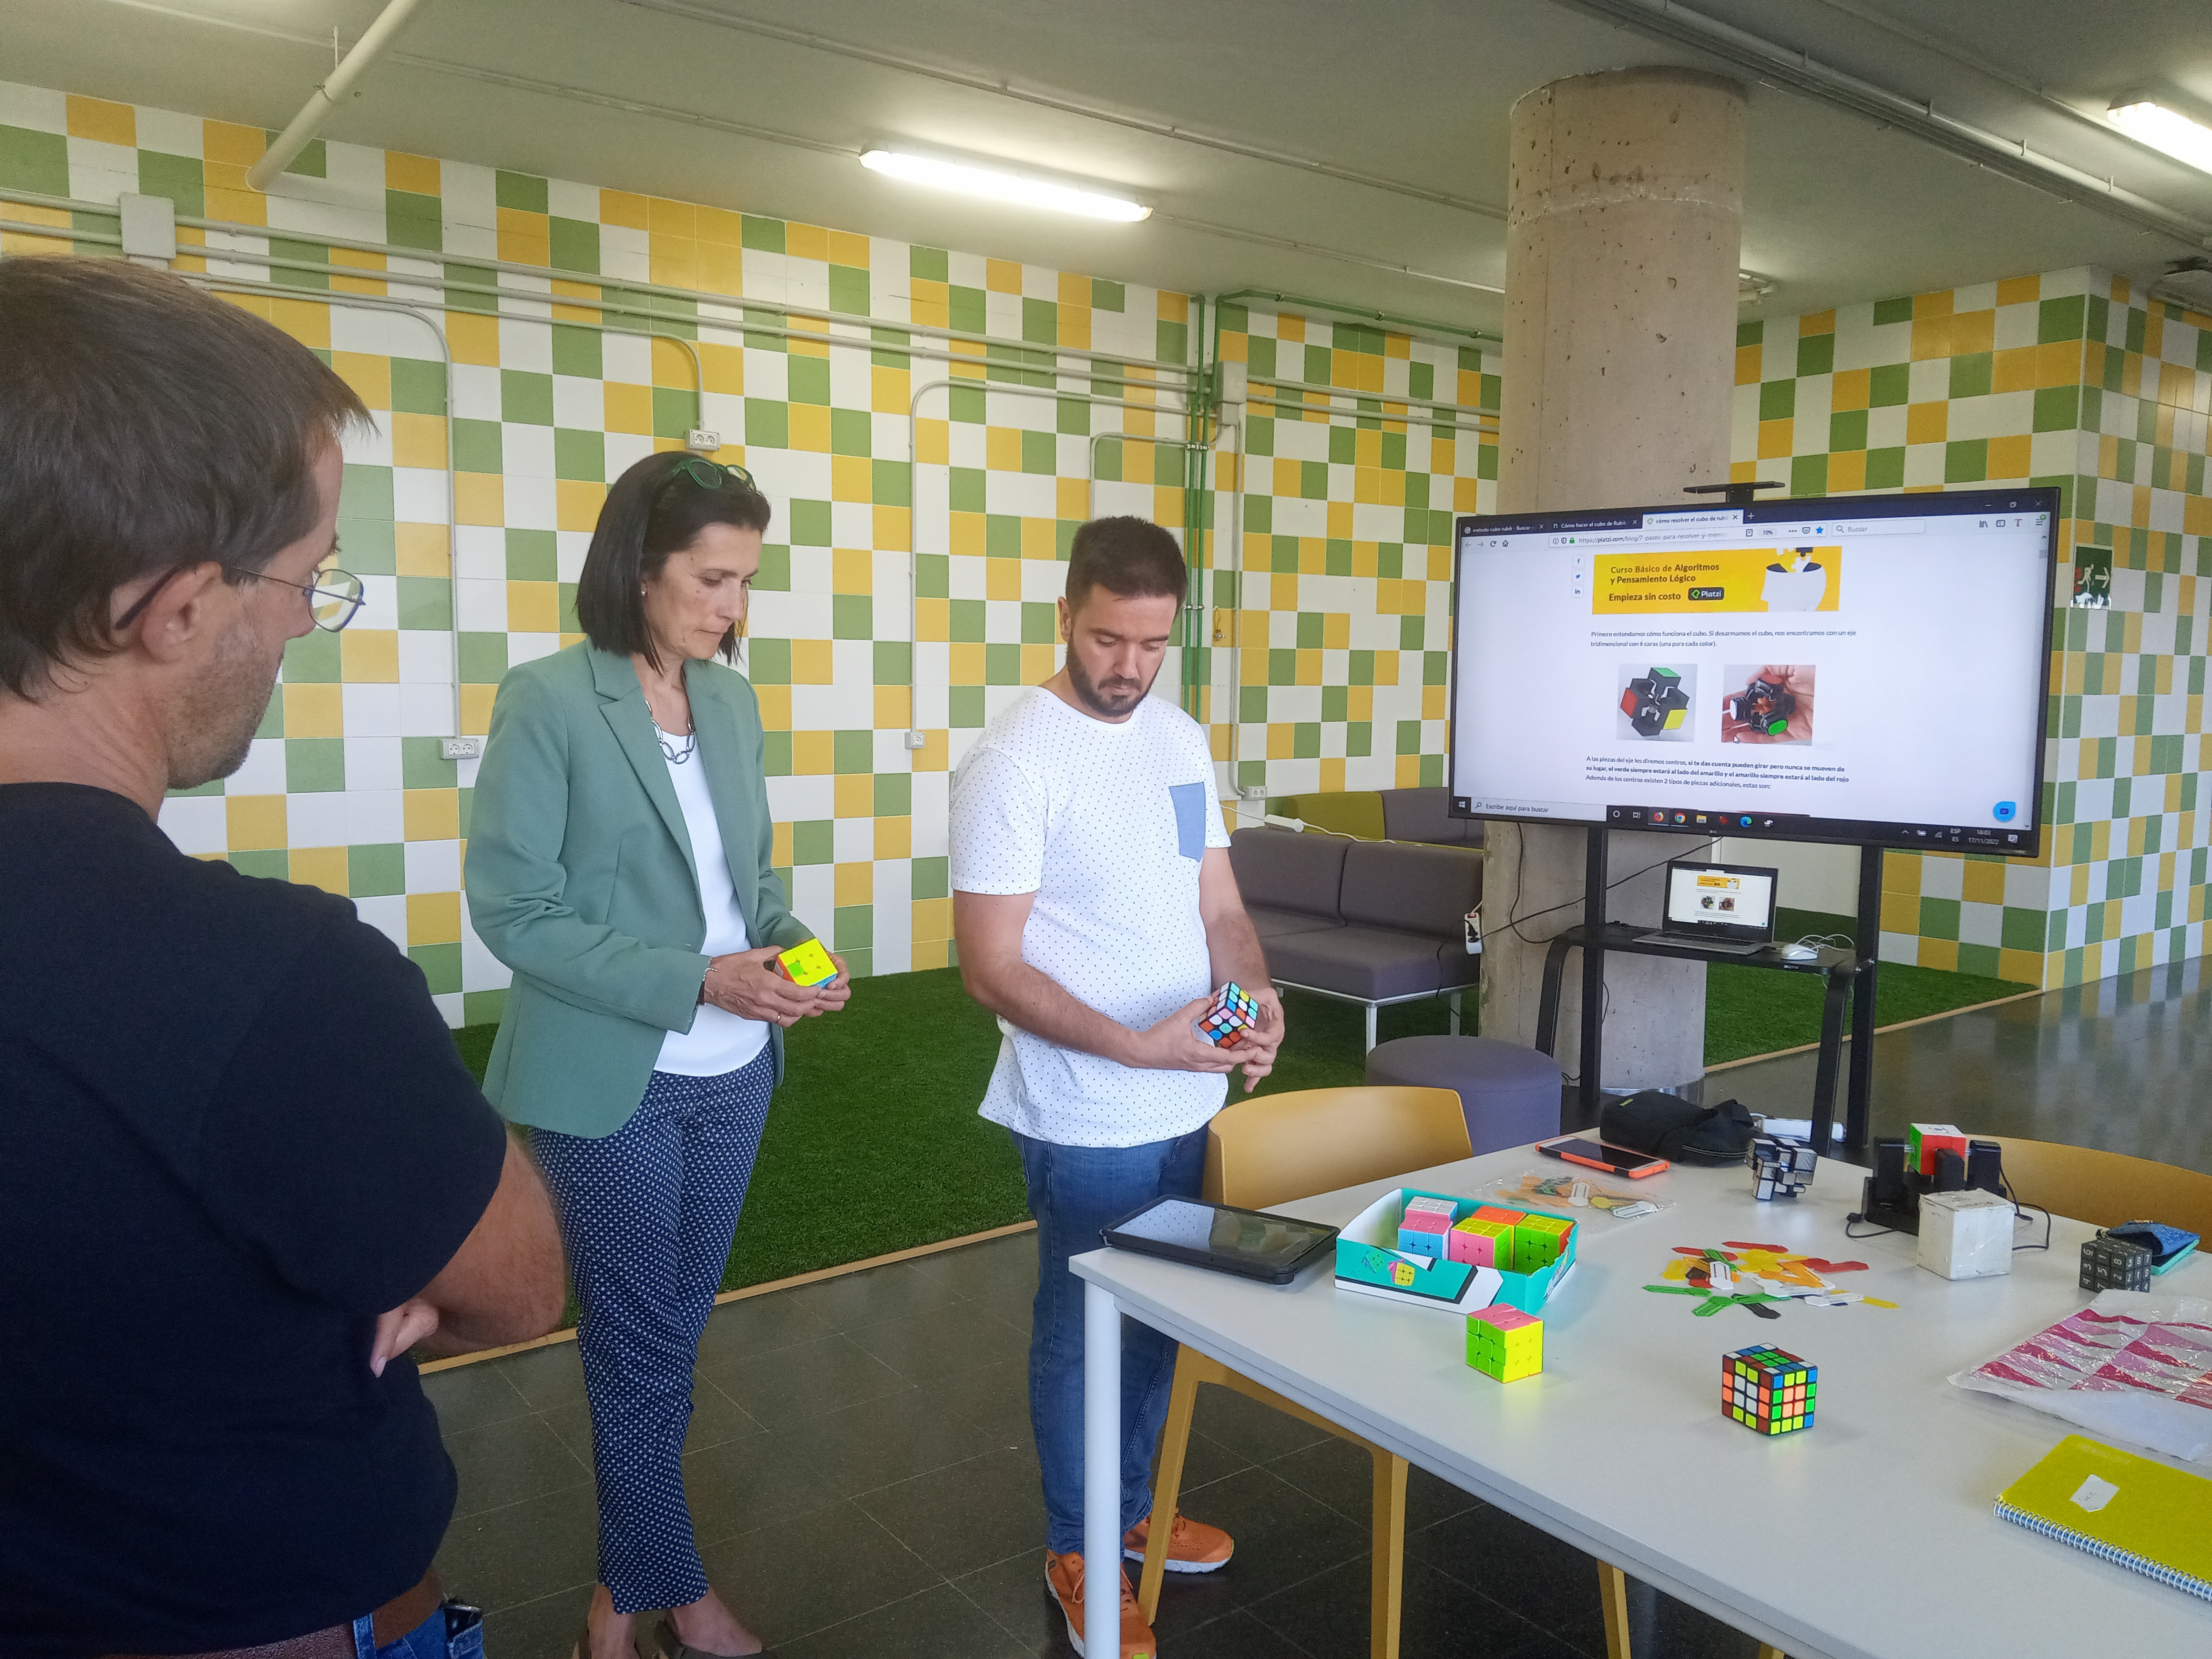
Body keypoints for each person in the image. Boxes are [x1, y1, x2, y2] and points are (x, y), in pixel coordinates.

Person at [0, 257, 566, 1659]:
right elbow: (518, 1283)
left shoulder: (1162, 743)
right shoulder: (267, 979)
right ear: (176, 610)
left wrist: (1218, 1029)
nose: (304, 620)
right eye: (306, 579)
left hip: (1193, 1063)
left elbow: (1223, 932)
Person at [466, 451, 850, 1659]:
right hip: (605, 1081)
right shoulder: (548, 698)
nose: (733, 608)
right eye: (713, 578)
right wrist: (695, 979)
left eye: (747, 581)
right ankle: (673, 1593)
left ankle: (616, 1597)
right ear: (639, 571)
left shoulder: (729, 704)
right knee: (636, 1348)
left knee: (672, 1339)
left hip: (737, 1068)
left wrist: (794, 955)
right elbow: (516, 912)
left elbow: (755, 892)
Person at [949, 516, 1286, 1658]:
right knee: (1084, 1322)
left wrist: (1255, 1000)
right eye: (1106, 639)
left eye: (1150, 643)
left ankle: (1133, 1514)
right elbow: (989, 967)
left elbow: (1220, 907)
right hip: (1086, 1109)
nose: (1127, 667)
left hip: (1191, 1096)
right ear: (1065, 615)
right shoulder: (1013, 762)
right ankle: (1078, 1538)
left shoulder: (1181, 742)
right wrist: (1136, 1047)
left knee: (1161, 1313)